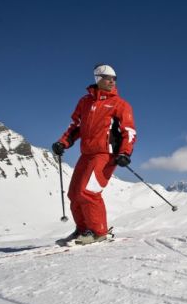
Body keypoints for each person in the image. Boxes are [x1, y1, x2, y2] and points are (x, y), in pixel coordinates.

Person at [52, 64, 137, 244]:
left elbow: (128, 131)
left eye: (114, 79)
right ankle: (83, 230)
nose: (112, 81)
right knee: (74, 193)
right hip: (87, 153)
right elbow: (75, 126)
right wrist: (63, 142)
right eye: (108, 78)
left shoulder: (120, 104)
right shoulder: (85, 102)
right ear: (98, 79)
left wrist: (125, 152)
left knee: (88, 191)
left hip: (106, 154)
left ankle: (98, 232)